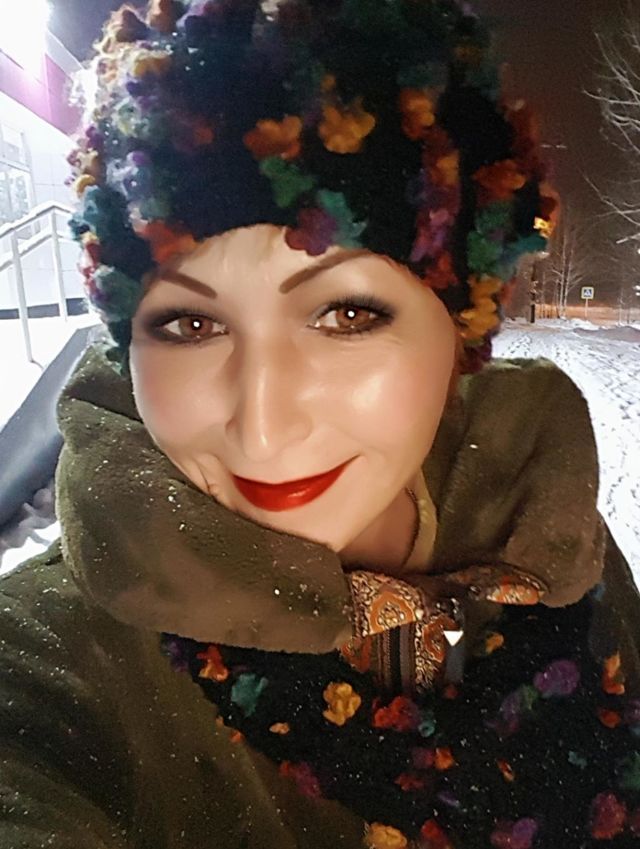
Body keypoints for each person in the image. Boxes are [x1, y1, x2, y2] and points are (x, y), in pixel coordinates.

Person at [1, 1, 640, 847]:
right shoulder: (52, 661)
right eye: (190, 324)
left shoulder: (549, 531)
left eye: (346, 314)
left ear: (460, 329)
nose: (262, 431)